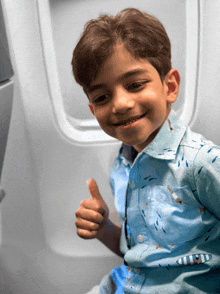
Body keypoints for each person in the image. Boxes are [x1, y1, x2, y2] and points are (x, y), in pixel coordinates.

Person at [73, 8, 220, 293]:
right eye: (103, 97)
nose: (120, 104)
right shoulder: (123, 165)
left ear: (170, 86)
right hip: (123, 283)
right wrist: (104, 231)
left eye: (135, 85)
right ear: (93, 109)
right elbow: (142, 255)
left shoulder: (201, 164)